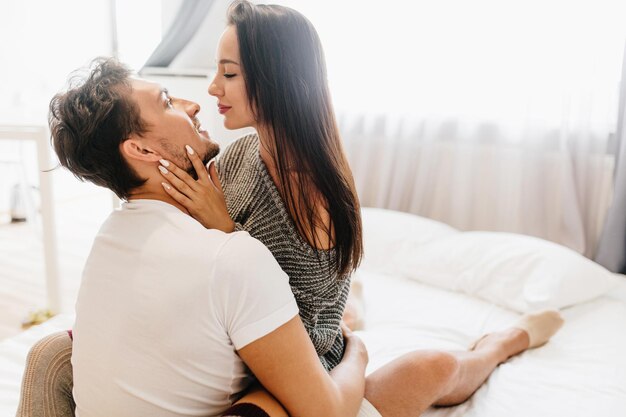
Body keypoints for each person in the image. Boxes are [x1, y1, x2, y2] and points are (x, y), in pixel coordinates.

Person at [159, 1, 565, 417]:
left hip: (309, 364)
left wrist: (225, 228)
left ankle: (504, 342)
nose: (212, 87)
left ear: (275, 79)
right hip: (247, 356)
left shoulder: (313, 193)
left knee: (434, 367)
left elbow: (293, 331)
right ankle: (350, 305)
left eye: (229, 74)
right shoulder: (238, 155)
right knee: (344, 310)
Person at [37, 57, 369, 417]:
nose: (195, 103)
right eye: (167, 101)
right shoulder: (232, 259)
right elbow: (327, 412)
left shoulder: (108, 238)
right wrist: (358, 355)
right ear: (142, 150)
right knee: (431, 366)